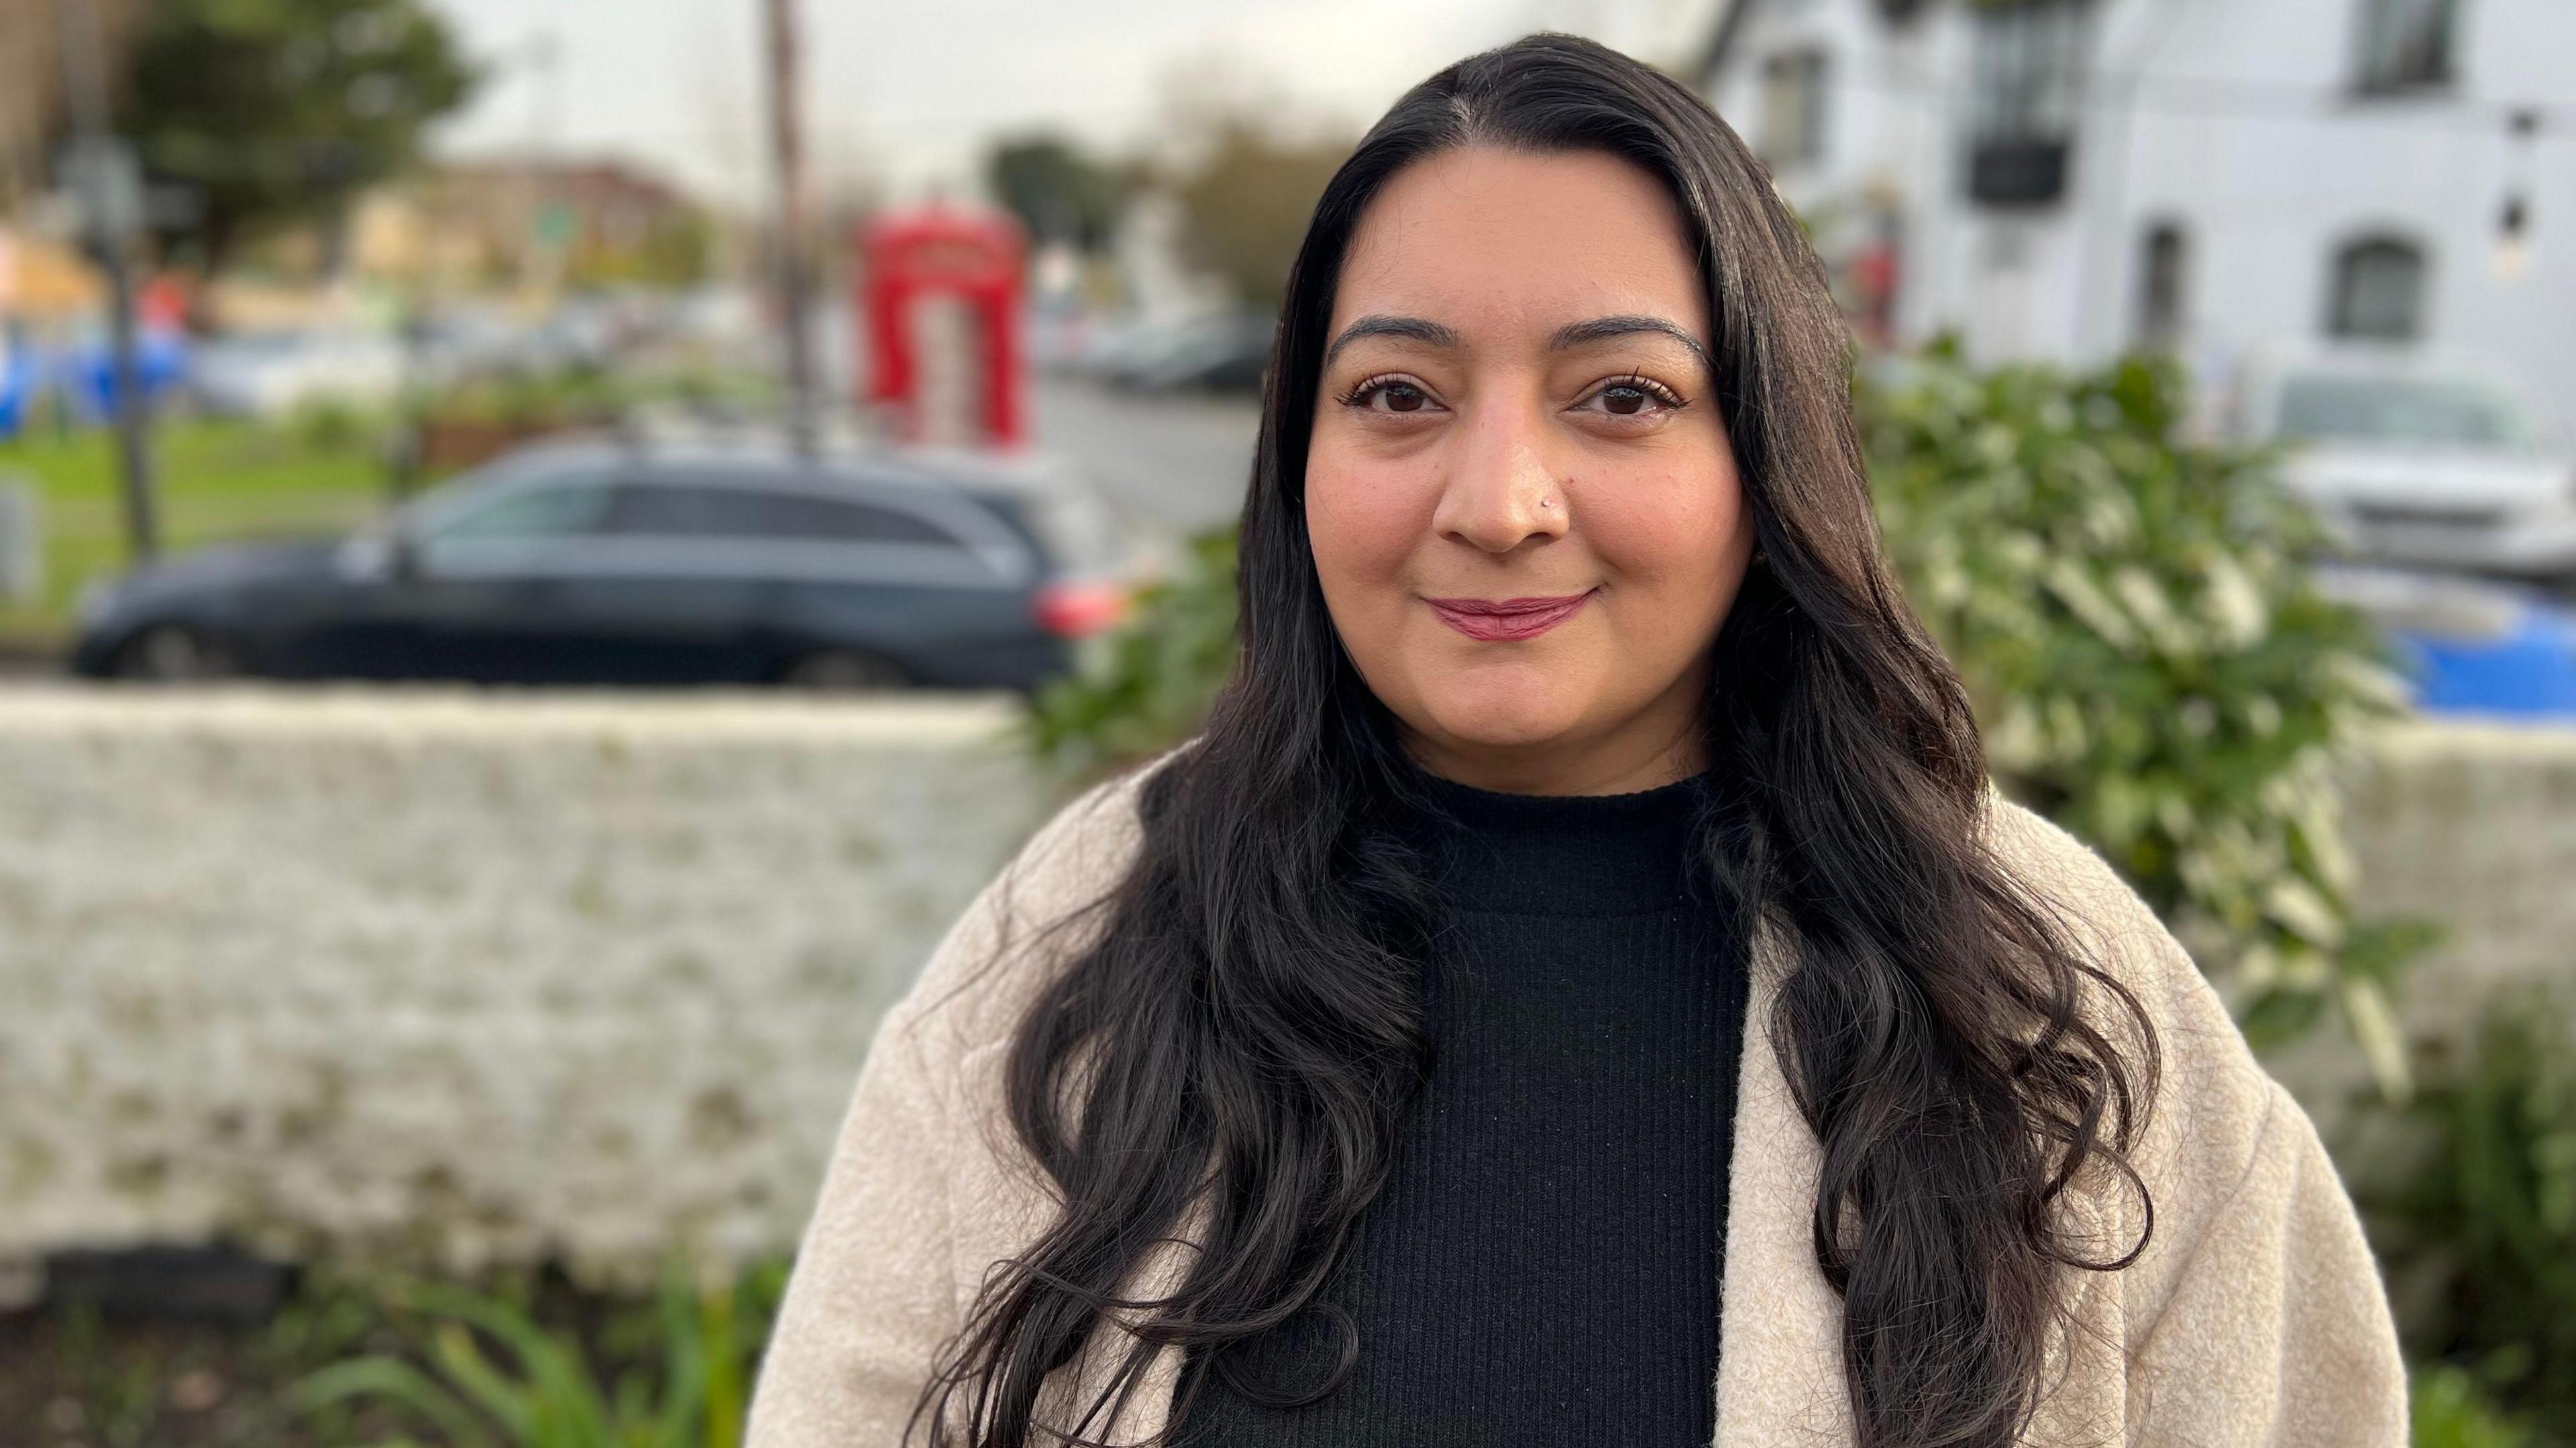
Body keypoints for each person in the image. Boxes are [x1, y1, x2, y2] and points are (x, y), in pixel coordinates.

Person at [745, 34, 2404, 1448]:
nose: (1500, 506)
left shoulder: (2037, 983)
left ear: (1763, 458)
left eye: (1621, 397)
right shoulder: (1080, 945)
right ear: (1298, 458)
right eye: (1399, 395)